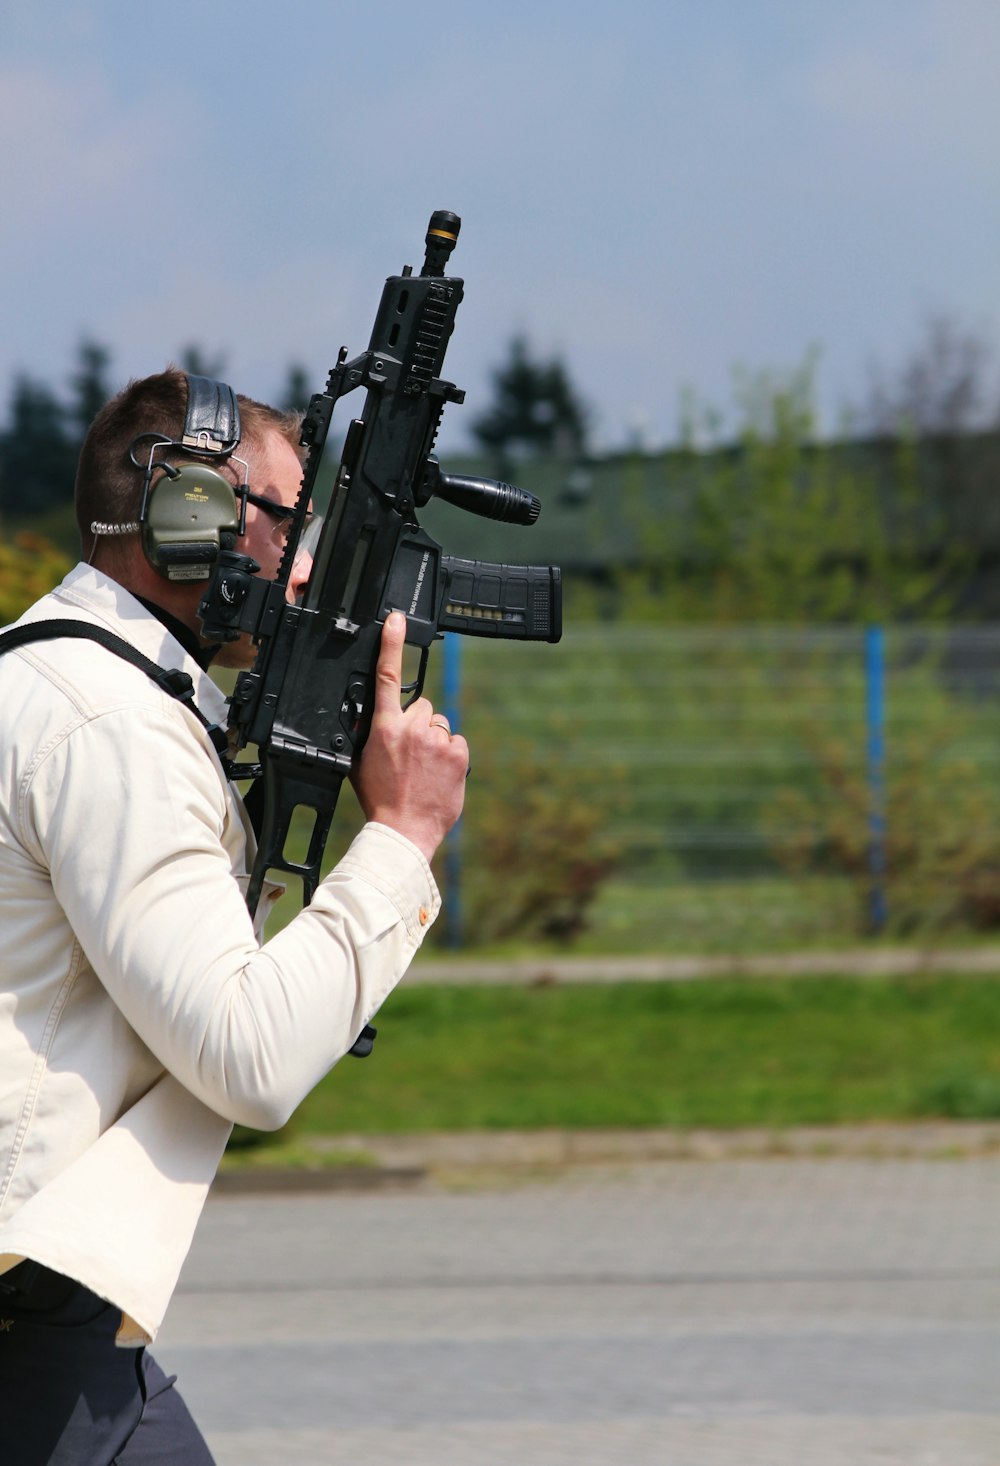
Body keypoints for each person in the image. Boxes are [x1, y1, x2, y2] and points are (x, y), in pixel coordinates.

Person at [0, 367, 470, 1462]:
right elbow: (247, 1052)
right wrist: (402, 836)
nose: (304, 564)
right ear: (187, 516)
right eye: (284, 519)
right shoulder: (110, 725)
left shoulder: (64, 684)